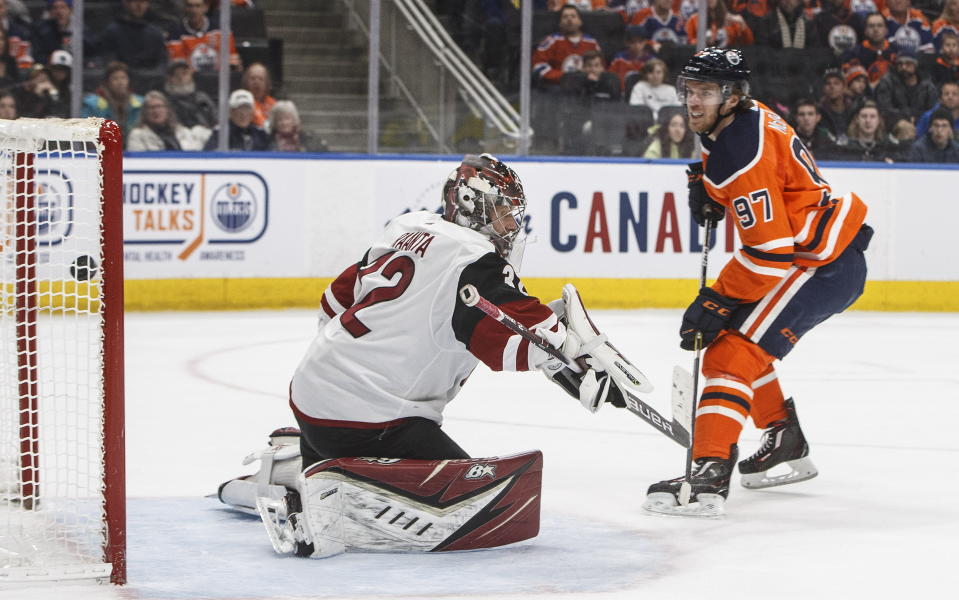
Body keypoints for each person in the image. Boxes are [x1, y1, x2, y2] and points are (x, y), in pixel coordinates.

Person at [642, 48, 872, 517]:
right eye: (690, 89)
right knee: (735, 341)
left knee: (729, 352)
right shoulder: (738, 121)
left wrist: (718, 298)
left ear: (732, 96)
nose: (692, 101)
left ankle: (707, 474)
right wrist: (706, 187)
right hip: (818, 256)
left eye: (705, 92)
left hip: (818, 265)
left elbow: (770, 254)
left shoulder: (743, 150)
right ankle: (783, 436)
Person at [287, 153, 628, 464]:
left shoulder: (405, 229)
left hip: (308, 395)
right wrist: (570, 354)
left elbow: (333, 303)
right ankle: (345, 468)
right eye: (501, 211)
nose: (511, 224)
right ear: (469, 206)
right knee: (476, 504)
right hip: (373, 421)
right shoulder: (472, 258)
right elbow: (508, 336)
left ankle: (307, 467)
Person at [532, 4, 602, 87]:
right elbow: (538, 66)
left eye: (573, 16)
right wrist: (563, 77)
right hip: (558, 88)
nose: (569, 19)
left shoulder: (592, 43)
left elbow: (600, 67)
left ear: (580, 21)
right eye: (565, 17)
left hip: (585, 87)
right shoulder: (551, 41)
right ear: (560, 23)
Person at [166, 0, 241, 72]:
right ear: (185, 8)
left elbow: (232, 60)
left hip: (216, 79)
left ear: (206, 7)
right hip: (190, 81)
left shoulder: (220, 30)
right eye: (190, 6)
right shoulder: (175, 32)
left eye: (198, 6)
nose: (194, 10)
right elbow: (178, 65)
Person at [96, 0, 168, 72]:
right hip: (122, 79)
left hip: (151, 78)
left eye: (143, 2)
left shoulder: (155, 33)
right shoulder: (112, 31)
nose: (139, 6)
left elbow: (162, 61)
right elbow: (107, 58)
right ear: (126, 3)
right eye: (135, 1)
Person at [126, 90, 211, 151]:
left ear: (167, 109)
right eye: (151, 108)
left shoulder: (181, 131)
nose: (156, 111)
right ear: (145, 112)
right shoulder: (137, 135)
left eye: (159, 106)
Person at [873, 48, 937, 126]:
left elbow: (932, 110)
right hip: (895, 125)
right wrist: (907, 118)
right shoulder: (887, 82)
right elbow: (884, 110)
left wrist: (917, 119)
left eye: (908, 64)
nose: (903, 67)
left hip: (923, 124)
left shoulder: (927, 85)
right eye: (900, 64)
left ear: (915, 66)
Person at [81, 62, 144, 137]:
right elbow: (86, 132)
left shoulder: (140, 103)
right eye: (115, 78)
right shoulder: (92, 104)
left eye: (123, 78)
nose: (120, 82)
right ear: (107, 82)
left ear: (128, 80)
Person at [842, 12, 901, 86]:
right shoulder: (853, 53)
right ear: (865, 31)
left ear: (886, 30)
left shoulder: (897, 51)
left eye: (879, 26)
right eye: (871, 26)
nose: (876, 29)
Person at [203, 88, 270, 151]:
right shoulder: (221, 133)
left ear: (252, 112)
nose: (243, 113)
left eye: (247, 108)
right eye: (239, 108)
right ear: (231, 112)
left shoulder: (260, 134)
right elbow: (209, 156)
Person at [836, 99, 902, 160]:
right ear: (857, 119)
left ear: (878, 120)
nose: (868, 120)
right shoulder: (845, 145)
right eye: (864, 116)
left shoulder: (888, 145)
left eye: (872, 116)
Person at [163, 60, 217, 130]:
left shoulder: (202, 98)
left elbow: (216, 120)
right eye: (175, 74)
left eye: (184, 73)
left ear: (191, 75)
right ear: (169, 78)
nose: (180, 78)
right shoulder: (163, 101)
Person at [685, 0, 755, 48]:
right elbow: (687, 45)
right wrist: (703, 41)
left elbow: (748, 42)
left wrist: (742, 23)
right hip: (703, 60)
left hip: (728, 61)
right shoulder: (694, 20)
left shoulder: (730, 19)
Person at [753, 0, 821, 49]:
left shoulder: (809, 23)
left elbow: (814, 52)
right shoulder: (765, 22)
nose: (788, 1)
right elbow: (762, 54)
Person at [818, 68, 855, 138]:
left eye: (836, 83)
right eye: (828, 83)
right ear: (823, 88)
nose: (832, 87)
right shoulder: (818, 111)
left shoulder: (854, 109)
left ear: (844, 87)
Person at [240, 62, 275, 127]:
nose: (256, 82)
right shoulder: (242, 102)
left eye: (261, 79)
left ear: (266, 83)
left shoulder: (272, 103)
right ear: (246, 82)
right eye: (253, 78)